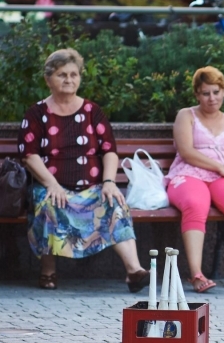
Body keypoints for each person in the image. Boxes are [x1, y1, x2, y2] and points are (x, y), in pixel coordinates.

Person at [17, 48, 148, 291]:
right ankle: (48, 271)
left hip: (91, 188)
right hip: (52, 185)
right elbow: (29, 155)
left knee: (115, 202)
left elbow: (109, 149)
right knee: (49, 202)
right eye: (61, 74)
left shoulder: (92, 112)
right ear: (48, 79)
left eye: (73, 74)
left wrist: (109, 181)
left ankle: (134, 271)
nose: (69, 80)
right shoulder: (36, 114)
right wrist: (52, 184)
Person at [165, 66, 224, 292]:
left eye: (216, 92)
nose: (211, 98)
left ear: (223, 92)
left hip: (222, 177)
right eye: (205, 93)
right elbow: (186, 151)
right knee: (196, 204)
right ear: (197, 93)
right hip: (188, 173)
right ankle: (197, 275)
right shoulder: (186, 115)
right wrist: (219, 166)